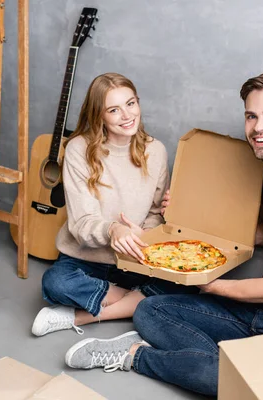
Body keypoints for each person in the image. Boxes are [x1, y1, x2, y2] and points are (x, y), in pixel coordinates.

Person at [62, 72, 263, 396]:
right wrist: (185, 214)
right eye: (252, 116)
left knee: (236, 384)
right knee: (149, 310)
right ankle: (218, 362)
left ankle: (138, 356)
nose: (259, 127)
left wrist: (212, 286)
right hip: (261, 311)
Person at [31, 72, 197, 337]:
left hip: (135, 259)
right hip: (85, 259)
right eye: (114, 110)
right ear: (99, 115)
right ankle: (133, 301)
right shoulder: (78, 150)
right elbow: (82, 223)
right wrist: (112, 230)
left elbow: (155, 214)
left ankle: (80, 316)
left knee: (190, 285)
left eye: (131, 104)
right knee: (55, 283)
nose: (127, 115)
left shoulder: (156, 151)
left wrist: (144, 233)